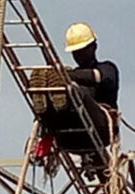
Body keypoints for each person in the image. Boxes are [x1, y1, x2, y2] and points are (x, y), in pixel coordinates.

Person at [30, 22, 119, 156]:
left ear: (94, 47)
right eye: (76, 52)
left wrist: (63, 76)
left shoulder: (107, 68)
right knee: (59, 94)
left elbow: (100, 77)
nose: (79, 55)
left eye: (82, 51)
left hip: (101, 130)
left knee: (74, 92)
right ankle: (47, 106)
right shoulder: (68, 78)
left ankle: (63, 96)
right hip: (67, 136)